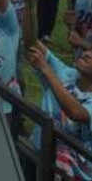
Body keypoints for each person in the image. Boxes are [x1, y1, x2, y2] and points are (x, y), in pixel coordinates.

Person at [26, 42, 92, 180]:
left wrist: (47, 70)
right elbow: (32, 43)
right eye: (88, 50)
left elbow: (76, 112)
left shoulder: (56, 74)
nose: (86, 53)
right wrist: (28, 19)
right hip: (38, 154)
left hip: (73, 174)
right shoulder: (67, 74)